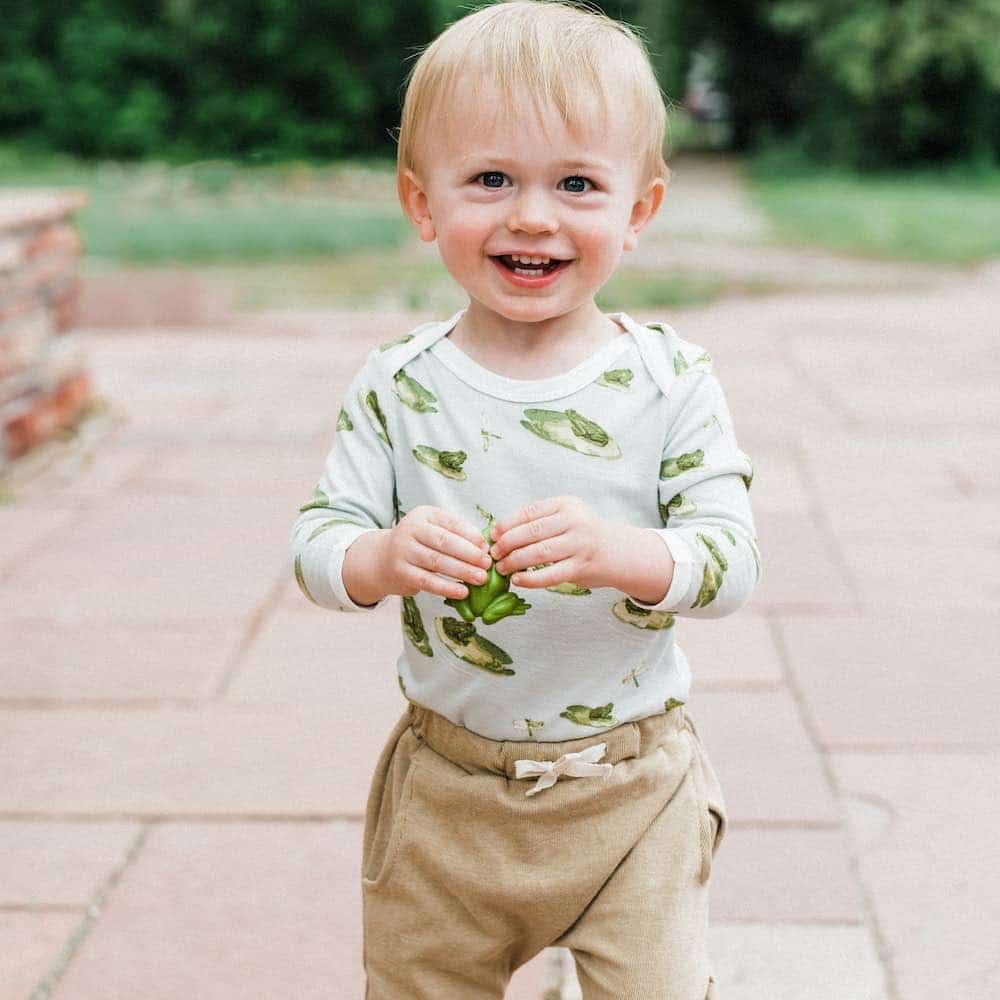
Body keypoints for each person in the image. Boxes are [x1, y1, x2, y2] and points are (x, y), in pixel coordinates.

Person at [289, 1, 762, 996]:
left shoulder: (671, 380)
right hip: (450, 792)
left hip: (633, 788)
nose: (532, 216)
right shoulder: (396, 384)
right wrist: (378, 559)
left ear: (638, 211)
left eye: (577, 183)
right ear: (423, 205)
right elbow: (318, 543)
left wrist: (620, 552)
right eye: (491, 178)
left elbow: (729, 562)